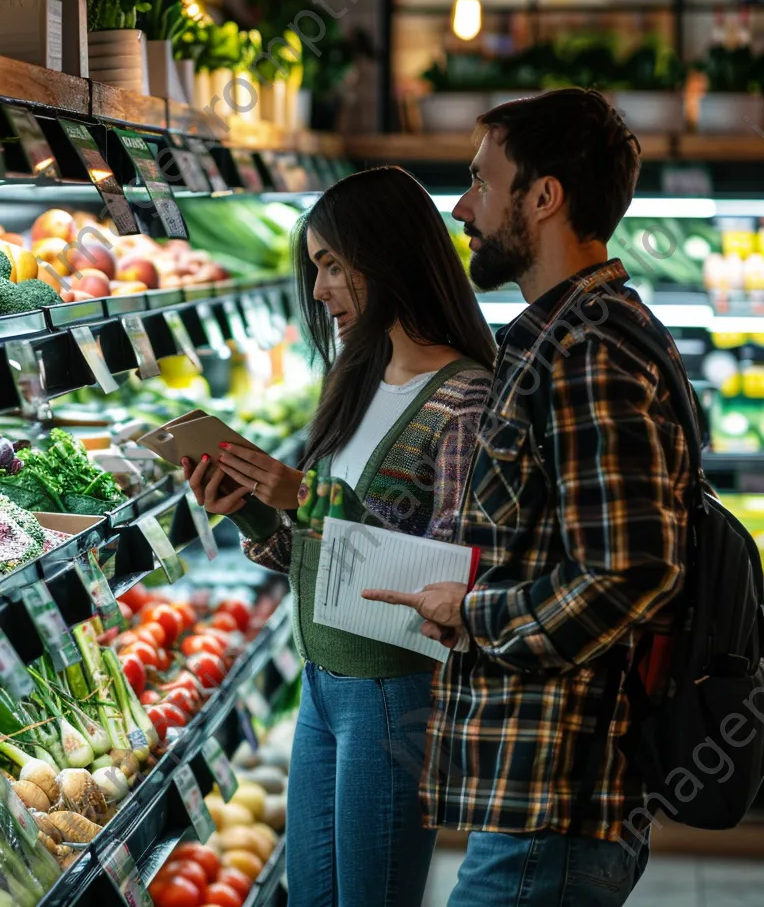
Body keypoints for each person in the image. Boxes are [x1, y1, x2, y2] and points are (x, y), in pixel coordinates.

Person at [363, 88, 692, 905]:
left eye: (481, 180)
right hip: (538, 797)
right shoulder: (561, 337)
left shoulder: (588, 351)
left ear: (544, 198)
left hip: (560, 802)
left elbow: (630, 571)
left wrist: (471, 613)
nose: (461, 205)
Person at [184, 165, 494, 907]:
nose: (319, 291)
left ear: (384, 256)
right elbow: (319, 561)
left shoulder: (466, 397)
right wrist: (251, 510)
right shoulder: (351, 379)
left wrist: (310, 499)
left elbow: (442, 586)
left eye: (331, 265)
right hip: (321, 686)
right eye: (315, 267)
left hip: (394, 695)